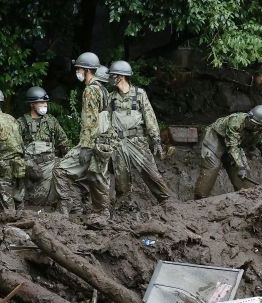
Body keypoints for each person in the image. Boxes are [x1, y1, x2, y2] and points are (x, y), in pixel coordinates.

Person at [53, 52, 112, 219]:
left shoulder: (90, 91)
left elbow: (90, 121)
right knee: (96, 177)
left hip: (92, 142)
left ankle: (64, 213)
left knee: (61, 170)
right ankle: (95, 213)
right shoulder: (103, 89)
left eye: (79, 69)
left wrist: (86, 147)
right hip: (102, 141)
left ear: (87, 70)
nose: (77, 72)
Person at [105, 60, 172, 204]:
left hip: (137, 140)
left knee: (152, 174)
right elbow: (106, 121)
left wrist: (156, 140)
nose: (110, 78)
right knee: (121, 180)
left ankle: (167, 202)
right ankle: (124, 209)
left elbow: (150, 117)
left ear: (121, 76)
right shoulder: (111, 97)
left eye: (112, 75)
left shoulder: (139, 94)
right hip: (118, 143)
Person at [194, 105, 262, 199]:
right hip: (216, 139)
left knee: (244, 182)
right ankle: (199, 202)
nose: (248, 122)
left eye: (253, 123)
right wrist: (240, 166)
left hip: (235, 146)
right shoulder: (235, 121)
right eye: (249, 119)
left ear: (260, 126)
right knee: (212, 169)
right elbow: (232, 145)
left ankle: (246, 204)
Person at [17, 86, 70, 205]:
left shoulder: (51, 121)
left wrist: (68, 161)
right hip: (30, 168)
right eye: (41, 102)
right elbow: (15, 148)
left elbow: (63, 142)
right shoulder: (21, 123)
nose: (44, 105)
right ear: (32, 104)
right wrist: (27, 164)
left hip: (49, 166)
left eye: (45, 102)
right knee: (33, 200)